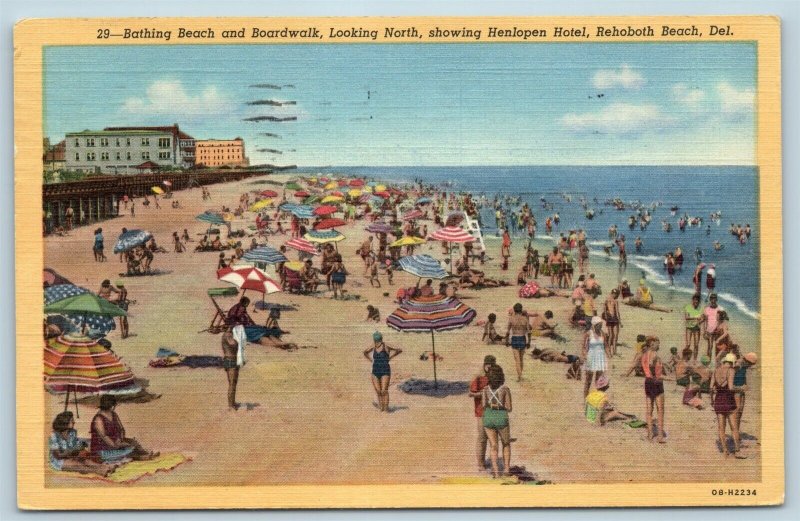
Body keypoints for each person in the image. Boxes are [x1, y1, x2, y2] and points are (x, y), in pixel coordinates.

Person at [90, 395, 158, 462]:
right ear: (111, 406)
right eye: (114, 405)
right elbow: (104, 436)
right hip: (103, 448)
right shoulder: (98, 419)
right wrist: (116, 445)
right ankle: (143, 457)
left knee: (133, 442)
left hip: (116, 441)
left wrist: (120, 438)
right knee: (129, 449)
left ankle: (146, 453)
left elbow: (121, 429)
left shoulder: (113, 414)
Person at [49, 411, 116, 476]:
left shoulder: (73, 432)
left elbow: (76, 444)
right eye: (71, 421)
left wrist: (82, 445)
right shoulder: (54, 435)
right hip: (59, 461)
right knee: (78, 465)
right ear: (65, 422)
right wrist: (74, 450)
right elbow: (58, 455)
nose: (74, 422)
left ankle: (104, 467)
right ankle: (99, 471)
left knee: (86, 461)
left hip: (71, 455)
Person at [711, 353, 745, 458]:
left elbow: (711, 388)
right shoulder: (731, 370)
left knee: (721, 428)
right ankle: (737, 451)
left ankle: (725, 451)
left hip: (718, 400)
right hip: (728, 400)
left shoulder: (716, 370)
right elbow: (730, 387)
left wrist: (712, 401)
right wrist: (741, 388)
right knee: (734, 427)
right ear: (732, 362)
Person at [482, 364, 512, 478]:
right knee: (506, 444)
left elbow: (484, 405)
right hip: (501, 417)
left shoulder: (485, 389)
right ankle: (506, 469)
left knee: (493, 445)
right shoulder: (505, 389)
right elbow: (509, 408)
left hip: (489, 416)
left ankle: (495, 471)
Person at [469, 355, 496, 472]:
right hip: (481, 411)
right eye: (487, 364)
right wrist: (484, 393)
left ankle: (491, 462)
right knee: (482, 437)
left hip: (493, 411)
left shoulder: (496, 377)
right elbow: (470, 393)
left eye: (491, 364)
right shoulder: (478, 377)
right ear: (484, 364)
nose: (489, 367)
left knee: (493, 439)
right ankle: (480, 463)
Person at [363, 332, 402, 412]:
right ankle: (381, 408)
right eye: (376, 341)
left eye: (378, 341)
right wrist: (371, 359)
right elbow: (365, 352)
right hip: (375, 370)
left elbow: (399, 350)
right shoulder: (373, 346)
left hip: (385, 370)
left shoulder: (386, 345)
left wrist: (391, 356)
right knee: (378, 390)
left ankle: (386, 409)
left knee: (384, 390)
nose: (377, 343)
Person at [641, 336, 666, 443]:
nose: (659, 345)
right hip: (657, 383)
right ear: (652, 344)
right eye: (657, 343)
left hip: (648, 382)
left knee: (649, 410)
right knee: (660, 410)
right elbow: (653, 367)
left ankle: (650, 434)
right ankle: (660, 436)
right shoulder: (655, 355)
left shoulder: (644, 355)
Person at [733, 352, 757, 447]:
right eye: (750, 364)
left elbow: (743, 377)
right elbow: (729, 380)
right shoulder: (738, 365)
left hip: (741, 391)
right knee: (736, 414)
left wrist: (745, 384)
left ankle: (737, 434)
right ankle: (735, 436)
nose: (750, 366)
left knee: (740, 413)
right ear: (747, 361)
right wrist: (740, 388)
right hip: (736, 391)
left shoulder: (744, 366)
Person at [582, 316, 608, 397]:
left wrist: (608, 356)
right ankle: (586, 399)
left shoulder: (602, 333)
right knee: (588, 380)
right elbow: (583, 347)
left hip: (600, 357)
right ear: (594, 325)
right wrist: (585, 356)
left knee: (599, 380)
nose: (600, 326)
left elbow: (606, 346)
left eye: (601, 324)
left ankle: (597, 399)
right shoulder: (589, 333)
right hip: (591, 357)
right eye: (599, 325)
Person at [505, 303, 531, 382]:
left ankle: (519, 377)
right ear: (521, 310)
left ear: (514, 310)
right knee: (521, 359)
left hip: (515, 338)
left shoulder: (511, 319)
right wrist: (529, 342)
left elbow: (508, 332)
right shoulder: (525, 319)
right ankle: (520, 375)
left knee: (517, 360)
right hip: (522, 338)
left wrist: (506, 341)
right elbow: (529, 332)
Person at [221, 325, 241, 410]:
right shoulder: (228, 335)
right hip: (230, 361)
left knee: (233, 383)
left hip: (233, 360)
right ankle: (230, 405)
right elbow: (233, 344)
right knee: (232, 383)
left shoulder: (230, 334)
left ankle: (232, 402)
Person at [603, 289, 622, 357]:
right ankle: (614, 351)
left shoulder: (607, 300)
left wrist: (606, 317)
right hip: (614, 318)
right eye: (616, 294)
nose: (616, 295)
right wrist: (620, 322)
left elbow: (604, 310)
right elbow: (617, 312)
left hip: (609, 318)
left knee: (611, 336)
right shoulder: (615, 301)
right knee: (615, 336)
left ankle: (609, 351)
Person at [702, 293, 722, 358]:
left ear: (716, 299)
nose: (713, 300)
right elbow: (705, 321)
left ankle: (715, 362)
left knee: (717, 347)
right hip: (709, 331)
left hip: (716, 331)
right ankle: (708, 361)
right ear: (710, 300)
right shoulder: (706, 308)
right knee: (710, 347)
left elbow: (719, 321)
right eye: (712, 299)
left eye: (714, 299)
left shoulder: (719, 309)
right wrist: (704, 331)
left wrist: (718, 330)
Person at [684, 294, 703, 360]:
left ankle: (694, 360)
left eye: (697, 302)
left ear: (699, 302)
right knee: (688, 344)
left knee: (696, 345)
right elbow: (686, 317)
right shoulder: (688, 307)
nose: (696, 303)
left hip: (697, 328)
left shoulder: (700, 308)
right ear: (692, 300)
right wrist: (695, 318)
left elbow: (702, 318)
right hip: (689, 327)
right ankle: (685, 358)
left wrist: (700, 321)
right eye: (695, 301)